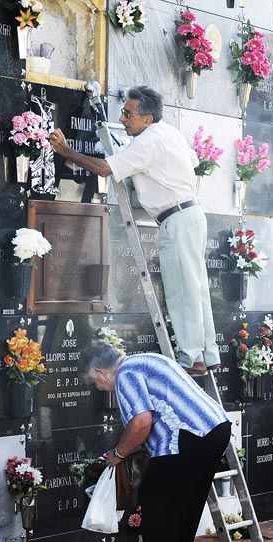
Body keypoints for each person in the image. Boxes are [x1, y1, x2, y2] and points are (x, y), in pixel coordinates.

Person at [50, 86, 219, 376]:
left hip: (177, 220)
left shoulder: (148, 142)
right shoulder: (168, 133)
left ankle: (191, 359)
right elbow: (190, 161)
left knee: (182, 290)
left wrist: (66, 151)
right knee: (197, 288)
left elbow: (105, 169)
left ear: (147, 119)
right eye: (123, 112)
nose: (123, 118)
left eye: (129, 114)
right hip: (190, 214)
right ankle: (207, 353)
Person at [79, 342, 231, 542]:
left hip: (185, 436)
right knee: (186, 505)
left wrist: (118, 454)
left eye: (95, 382)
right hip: (213, 428)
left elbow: (141, 423)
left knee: (156, 500)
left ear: (103, 372)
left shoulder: (126, 373)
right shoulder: (146, 360)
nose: (99, 387)